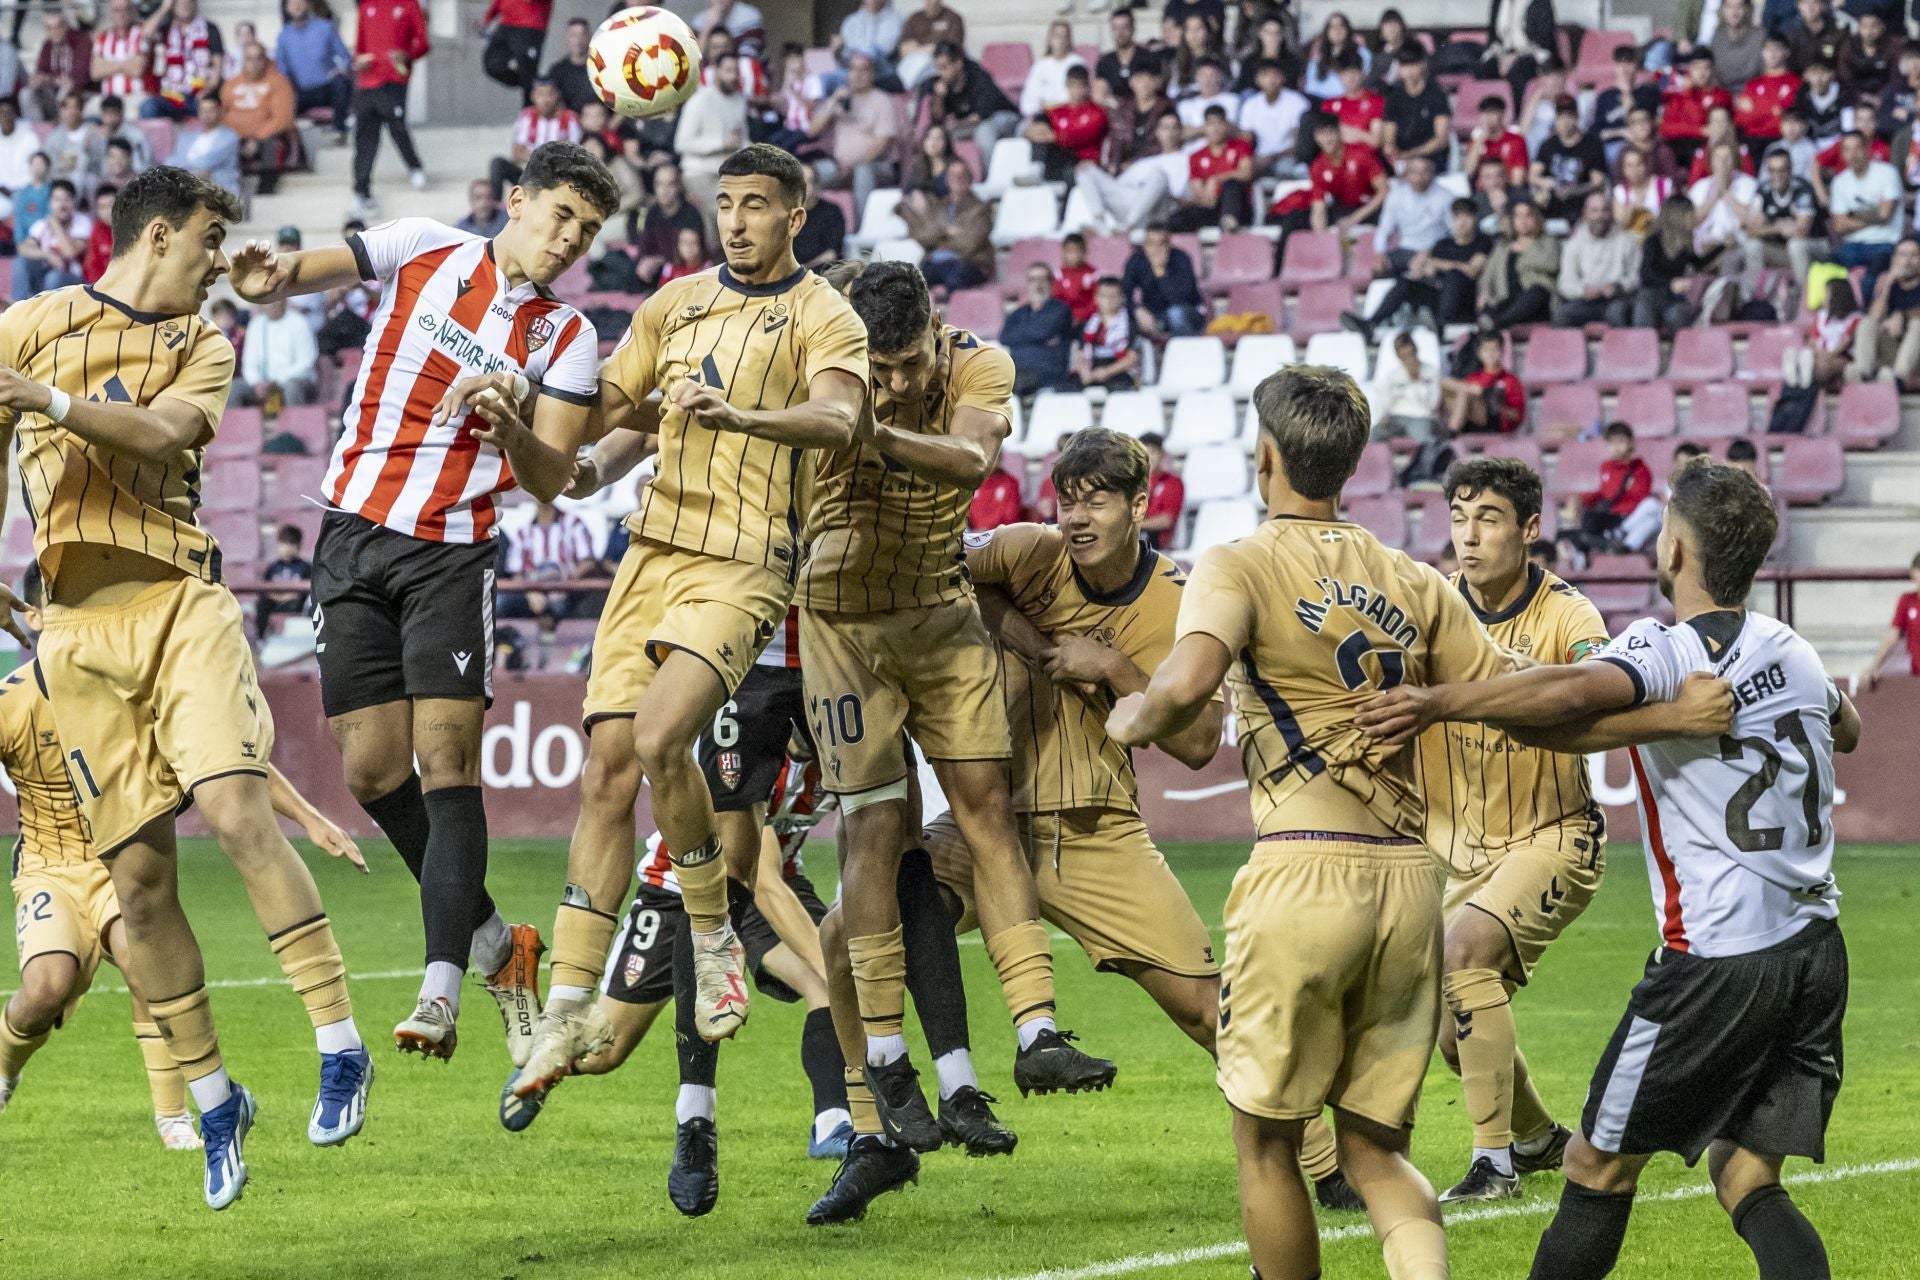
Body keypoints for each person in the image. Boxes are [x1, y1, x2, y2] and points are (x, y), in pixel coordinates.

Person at [1362, 461, 1856, 1280]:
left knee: (1595, 1168)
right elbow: (1851, 729)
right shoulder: (1794, 649)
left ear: (1674, 551)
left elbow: (1571, 691)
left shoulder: (1670, 647)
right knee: (1744, 1177)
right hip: (1815, 952)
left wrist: (1437, 701)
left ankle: (1508, 1151)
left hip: (1715, 965)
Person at [0, 164, 375, 1210]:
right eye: (213, 238)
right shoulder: (25, 324)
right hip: (72, 632)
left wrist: (53, 400)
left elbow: (164, 433)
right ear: (160, 233)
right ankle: (215, 1100)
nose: (223, 259)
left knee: (234, 808)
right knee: (141, 883)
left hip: (180, 604)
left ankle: (339, 1041)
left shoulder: (202, 345)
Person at [474, 145, 868, 1118]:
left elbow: (839, 419)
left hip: (744, 559)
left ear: (797, 214)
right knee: (608, 768)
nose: (737, 221)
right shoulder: (674, 303)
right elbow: (586, 438)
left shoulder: (825, 313)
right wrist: (516, 415)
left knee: (659, 738)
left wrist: (736, 412)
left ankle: (710, 934)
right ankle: (565, 1000)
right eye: (725, 204)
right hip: (650, 552)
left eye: (758, 206)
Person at [1106, 364, 1516, 1280]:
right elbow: (1510, 696)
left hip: (1302, 870)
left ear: (1266, 457)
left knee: (1267, 1143)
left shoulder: (1239, 561)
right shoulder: (1413, 577)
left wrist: (1126, 714)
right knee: (1375, 1151)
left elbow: (1185, 685)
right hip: (1410, 887)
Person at [225, 142, 621, 1062]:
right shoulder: (423, 245)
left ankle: (441, 988)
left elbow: (555, 475)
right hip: (350, 536)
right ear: (515, 199)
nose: (570, 239)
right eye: (560, 214)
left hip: (451, 555)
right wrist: (260, 283)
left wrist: (511, 422)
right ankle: (497, 945)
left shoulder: (567, 338)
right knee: (370, 773)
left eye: (589, 230)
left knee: (447, 768)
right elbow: (299, 272)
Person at [798, 260, 1113, 1223]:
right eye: (876, 369)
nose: (890, 382)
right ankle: (888, 1065)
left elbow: (973, 462)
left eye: (904, 364)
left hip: (939, 615)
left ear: (936, 333)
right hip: (840, 625)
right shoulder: (824, 369)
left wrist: (868, 429)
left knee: (984, 808)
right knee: (875, 836)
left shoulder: (982, 368)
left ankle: (1038, 1028)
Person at [0, 562, 365, 1150]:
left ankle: (174, 1119)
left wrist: (309, 818)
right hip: (51, 866)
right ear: (36, 617)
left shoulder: (127, 688)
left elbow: (220, 762)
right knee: (45, 988)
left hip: (120, 860)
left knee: (147, 962)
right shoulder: (11, 703)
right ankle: (5, 1066)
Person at [1417, 458, 1673, 1202]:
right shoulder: (1430, 608)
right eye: (1459, 518)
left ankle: (1492, 1165)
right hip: (1466, 854)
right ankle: (1534, 1138)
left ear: (1529, 529)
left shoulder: (1570, 617)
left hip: (1556, 835)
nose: (1469, 536)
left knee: (1466, 955)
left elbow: (1591, 699)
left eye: (1488, 519)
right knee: (1448, 1036)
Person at [349, 0, 428, 217]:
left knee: (397, 127)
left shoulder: (410, 5)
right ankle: (361, 191)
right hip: (367, 81)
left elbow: (422, 43)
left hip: (394, 78)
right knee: (364, 138)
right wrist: (360, 61)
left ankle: (415, 167)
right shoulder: (366, 7)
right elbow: (360, 47)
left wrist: (407, 54)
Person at [1274, 113, 1387, 245]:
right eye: (1321, 134)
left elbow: (1384, 191)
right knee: (1294, 218)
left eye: (1330, 133)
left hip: (1370, 208)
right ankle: (1283, 263)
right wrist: (1320, 237)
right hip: (1343, 208)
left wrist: (1352, 220)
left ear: (1339, 133)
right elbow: (1319, 207)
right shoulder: (1318, 166)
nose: (1327, 139)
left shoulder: (1361, 155)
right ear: (1316, 137)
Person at [676, 52, 750, 248]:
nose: (733, 76)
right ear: (716, 72)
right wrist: (720, 143)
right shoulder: (700, 101)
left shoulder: (739, 100)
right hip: (699, 173)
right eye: (728, 71)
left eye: (736, 71)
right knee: (727, 212)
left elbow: (742, 140)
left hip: (729, 175)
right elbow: (681, 143)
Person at [815, 53, 900, 218]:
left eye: (863, 69)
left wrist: (854, 165)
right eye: (853, 69)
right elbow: (813, 130)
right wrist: (833, 101)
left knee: (863, 172)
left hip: (877, 166)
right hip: (839, 166)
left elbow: (883, 143)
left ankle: (862, 234)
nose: (858, 74)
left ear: (872, 74)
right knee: (807, 174)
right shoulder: (841, 98)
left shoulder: (882, 100)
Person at [1740, 146, 1818, 314]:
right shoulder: (1763, 191)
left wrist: (1768, 225)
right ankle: (1758, 300)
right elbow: (1751, 231)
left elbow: (1802, 230)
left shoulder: (1802, 189)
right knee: (1752, 245)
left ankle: (1805, 300)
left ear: (1790, 170)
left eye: (1782, 170)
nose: (1777, 176)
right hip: (1781, 249)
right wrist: (1778, 226)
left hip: (1815, 246)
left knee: (1796, 245)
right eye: (1772, 171)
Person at [1827, 130, 1903, 300]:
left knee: (1870, 281)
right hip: (1852, 244)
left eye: (1857, 149)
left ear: (1867, 148)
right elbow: (1839, 225)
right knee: (1825, 271)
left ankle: (1864, 318)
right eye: (1847, 150)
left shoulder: (1887, 173)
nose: (1852, 155)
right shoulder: (1839, 181)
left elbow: (1885, 215)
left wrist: (1852, 215)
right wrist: (1874, 216)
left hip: (1885, 243)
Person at [899, 156, 993, 292]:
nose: (957, 179)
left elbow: (970, 243)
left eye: (962, 175)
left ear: (969, 179)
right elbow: (923, 236)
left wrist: (941, 243)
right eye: (953, 176)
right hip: (936, 264)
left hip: (968, 262)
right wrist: (945, 232)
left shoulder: (980, 209)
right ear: (947, 180)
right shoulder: (938, 206)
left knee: (959, 276)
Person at [1635, 194, 1725, 332]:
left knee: (1678, 315)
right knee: (1644, 316)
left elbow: (1698, 264)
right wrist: (1670, 283)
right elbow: (1646, 274)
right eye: (1691, 213)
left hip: (1673, 299)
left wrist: (1722, 247)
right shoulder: (1654, 241)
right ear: (1679, 216)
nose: (1694, 217)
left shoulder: (1684, 244)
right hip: (1652, 295)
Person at [222, 41, 299, 195]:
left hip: (267, 137)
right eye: (249, 59)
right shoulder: (231, 84)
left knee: (271, 146)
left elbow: (283, 119)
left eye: (258, 58)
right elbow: (222, 115)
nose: (254, 63)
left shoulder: (279, 82)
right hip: (236, 138)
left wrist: (257, 139)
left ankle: (265, 193)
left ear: (266, 60)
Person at [1558, 191, 1643, 327]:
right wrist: (1584, 291)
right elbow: (1565, 283)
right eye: (1594, 211)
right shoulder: (1574, 243)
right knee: (1562, 314)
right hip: (1585, 300)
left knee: (1617, 312)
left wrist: (1617, 287)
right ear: (1585, 214)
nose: (1599, 216)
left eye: (1604, 210)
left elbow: (1636, 277)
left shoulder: (1627, 241)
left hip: (1617, 299)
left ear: (1611, 213)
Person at [925, 41, 1021, 161]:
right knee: (939, 136)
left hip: (1003, 116)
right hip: (969, 124)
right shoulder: (942, 82)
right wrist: (939, 97)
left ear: (958, 63)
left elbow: (980, 116)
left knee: (984, 131)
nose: (940, 73)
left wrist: (956, 125)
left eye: (944, 67)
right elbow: (937, 119)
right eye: (938, 68)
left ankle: (990, 176)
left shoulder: (978, 76)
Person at [276, 0, 354, 145]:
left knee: (341, 82)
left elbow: (346, 57)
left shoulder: (325, 27)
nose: (297, 5)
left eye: (299, 1)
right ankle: (289, 148)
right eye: (292, 3)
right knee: (281, 100)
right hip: (304, 93)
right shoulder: (284, 37)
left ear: (307, 3)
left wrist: (341, 68)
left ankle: (339, 130)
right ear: (286, 8)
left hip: (329, 88)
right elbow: (282, 70)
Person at [492, 77, 581, 198]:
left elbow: (575, 154)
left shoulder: (570, 119)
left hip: (557, 175)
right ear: (533, 96)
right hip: (528, 171)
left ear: (557, 95)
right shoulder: (526, 117)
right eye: (540, 95)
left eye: (550, 94)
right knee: (498, 163)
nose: (545, 100)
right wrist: (538, 161)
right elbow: (517, 152)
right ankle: (495, 207)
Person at [1478, 198, 1561, 328]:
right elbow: (1488, 275)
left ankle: (1497, 323)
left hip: (1537, 303)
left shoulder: (1548, 242)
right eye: (1518, 216)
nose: (1523, 221)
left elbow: (1551, 263)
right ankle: (1490, 325)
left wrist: (1522, 259)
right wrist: (1485, 292)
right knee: (1489, 306)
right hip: (1507, 299)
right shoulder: (1503, 247)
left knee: (1537, 291)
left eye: (1528, 215)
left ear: (1536, 218)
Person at [1169, 104, 1252, 231]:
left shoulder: (1241, 146)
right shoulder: (1196, 156)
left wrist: (1217, 179)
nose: (1215, 129)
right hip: (1212, 208)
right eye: (1211, 124)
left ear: (1226, 125)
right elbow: (1199, 191)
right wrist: (1205, 200)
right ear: (1205, 127)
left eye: (1219, 123)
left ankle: (1229, 223)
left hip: (1239, 208)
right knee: (1177, 218)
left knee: (1232, 184)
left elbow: (1247, 173)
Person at [1575, 423, 1655, 553]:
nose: (1616, 447)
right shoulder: (1606, 467)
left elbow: (1639, 501)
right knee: (1588, 517)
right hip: (1610, 515)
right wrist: (1582, 498)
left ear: (1631, 443)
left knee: (1652, 509)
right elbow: (1604, 493)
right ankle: (1594, 546)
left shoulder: (1640, 470)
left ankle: (1612, 540)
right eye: (1612, 443)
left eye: (1620, 442)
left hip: (1625, 517)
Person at [1025, 64, 1109, 185]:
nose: (1077, 91)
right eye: (1073, 86)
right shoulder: (1057, 111)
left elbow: (1081, 136)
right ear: (1066, 85)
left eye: (1081, 86)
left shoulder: (1097, 113)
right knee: (1040, 126)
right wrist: (1030, 132)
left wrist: (1055, 137)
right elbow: (1035, 128)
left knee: (1070, 170)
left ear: (1087, 86)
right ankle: (1035, 171)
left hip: (1083, 162)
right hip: (1059, 160)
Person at [1003, 262, 1077, 396]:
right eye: (1033, 280)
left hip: (1049, 373)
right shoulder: (1019, 313)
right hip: (1019, 372)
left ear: (1051, 283)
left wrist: (1021, 337)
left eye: (1042, 279)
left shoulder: (1061, 310)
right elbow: (1005, 337)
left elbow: (1044, 331)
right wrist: (1040, 339)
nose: (1038, 284)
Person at [1372, 154, 1453, 277]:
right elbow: (1384, 228)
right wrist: (1379, 252)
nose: (1420, 177)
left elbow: (1454, 231)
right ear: (1407, 174)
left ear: (1432, 173)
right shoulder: (1396, 196)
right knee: (1380, 267)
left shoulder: (1446, 197)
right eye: (1414, 172)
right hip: (1406, 249)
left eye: (1424, 171)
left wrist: (1429, 252)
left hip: (1436, 249)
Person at [142, 0, 223, 121]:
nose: (185, 6)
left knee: (210, 108)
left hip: (198, 94)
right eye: (180, 3)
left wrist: (208, 89)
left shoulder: (210, 28)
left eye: (188, 2)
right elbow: (145, 33)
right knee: (148, 107)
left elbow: (217, 65)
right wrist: (164, 8)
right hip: (170, 94)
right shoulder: (166, 29)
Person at [1532, 96, 1610, 221]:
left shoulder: (1592, 145)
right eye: (1561, 116)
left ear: (1577, 117)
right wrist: (1546, 183)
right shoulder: (1548, 145)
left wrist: (1574, 190)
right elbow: (1533, 175)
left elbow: (1598, 181)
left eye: (1569, 116)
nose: (1565, 121)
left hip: (1581, 208)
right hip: (1551, 206)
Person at [11, 178, 91, 299]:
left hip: (74, 280)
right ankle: (17, 309)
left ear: (74, 202)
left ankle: (47, 315)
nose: (62, 205)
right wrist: (47, 255)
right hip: (44, 280)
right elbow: (23, 248)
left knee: (53, 277)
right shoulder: (42, 224)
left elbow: (70, 253)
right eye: (57, 199)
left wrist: (56, 225)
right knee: (20, 262)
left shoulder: (82, 222)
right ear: (50, 202)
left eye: (67, 199)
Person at [1122, 223, 1206, 338]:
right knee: (1122, 316)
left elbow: (1180, 299)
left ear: (1169, 244)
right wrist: (1137, 310)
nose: (1156, 249)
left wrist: (1160, 271)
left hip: (1188, 312)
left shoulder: (1181, 259)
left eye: (1161, 244)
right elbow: (1124, 292)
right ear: (1144, 244)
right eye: (1151, 244)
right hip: (1153, 314)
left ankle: (1182, 352)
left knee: (1175, 314)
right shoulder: (1136, 261)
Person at [1856, 236, 1920, 383]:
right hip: (1892, 348)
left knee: (1918, 324)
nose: (1907, 261)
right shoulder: (1888, 284)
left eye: (1914, 255)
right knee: (1866, 322)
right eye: (1902, 255)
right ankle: (1864, 375)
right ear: (1894, 260)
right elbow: (1874, 317)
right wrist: (1888, 283)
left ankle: (1898, 379)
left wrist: (1903, 317)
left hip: (1915, 354)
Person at [239, 296, 319, 413]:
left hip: (294, 380)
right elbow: (249, 362)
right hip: (262, 383)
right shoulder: (255, 325)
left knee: (292, 387)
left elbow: (306, 363)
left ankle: (295, 429)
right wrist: (256, 382)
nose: (269, 306)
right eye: (266, 302)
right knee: (233, 389)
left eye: (273, 301)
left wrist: (276, 381)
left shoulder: (300, 322)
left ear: (284, 301)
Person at [1662, 49, 1733, 172]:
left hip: (1709, 147)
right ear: (1689, 70)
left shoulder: (1721, 96)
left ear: (1713, 70)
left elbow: (1698, 118)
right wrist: (1699, 130)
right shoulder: (1680, 96)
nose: (1701, 73)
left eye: (1706, 68)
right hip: (1682, 145)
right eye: (1697, 68)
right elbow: (1666, 128)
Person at [1444, 330, 1528, 433]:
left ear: (1502, 352)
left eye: (1494, 349)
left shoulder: (1510, 380)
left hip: (1493, 422)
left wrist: (1498, 407)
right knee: (1444, 384)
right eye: (1486, 350)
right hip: (1470, 419)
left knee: (1464, 391)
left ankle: (1452, 431)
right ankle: (1450, 427)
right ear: (1479, 354)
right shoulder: (1472, 377)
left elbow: (1518, 416)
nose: (1490, 354)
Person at [1239, 58, 1310, 179]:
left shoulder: (1297, 102)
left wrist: (1273, 157)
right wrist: (1249, 161)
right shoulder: (1250, 104)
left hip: (1287, 158)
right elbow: (1245, 141)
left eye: (1275, 75)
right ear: (1258, 80)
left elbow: (1299, 146)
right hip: (1260, 158)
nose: (1271, 80)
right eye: (1265, 75)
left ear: (1282, 78)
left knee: (1285, 169)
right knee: (1244, 168)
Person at [1383, 44, 1451, 167]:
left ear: (1423, 64)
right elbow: (1389, 136)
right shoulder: (1394, 97)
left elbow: (1441, 139)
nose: (1408, 70)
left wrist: (1410, 155)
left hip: (1430, 158)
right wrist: (1391, 150)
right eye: (1404, 65)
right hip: (1401, 159)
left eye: (1413, 64)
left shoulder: (1437, 96)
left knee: (1419, 167)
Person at [1787, 277, 1861, 389]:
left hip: (1841, 357)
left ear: (1838, 297)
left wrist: (1828, 356)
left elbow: (1846, 343)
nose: (1823, 297)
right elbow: (1813, 340)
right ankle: (1796, 375)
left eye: (1826, 293)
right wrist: (1817, 353)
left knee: (1822, 367)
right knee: (1793, 353)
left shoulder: (1854, 319)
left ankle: (1804, 379)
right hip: (1819, 353)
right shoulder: (1821, 316)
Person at [1860, 550, 1920, 688]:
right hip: (1916, 674)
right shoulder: (1907, 601)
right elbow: (1892, 635)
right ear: (1913, 574)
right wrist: (1874, 666)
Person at [1370, 332, 1440, 442]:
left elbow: (1432, 404)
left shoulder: (1430, 372)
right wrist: (1382, 415)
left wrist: (1416, 380)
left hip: (1420, 417)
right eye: (1402, 351)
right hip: (1396, 417)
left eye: (1408, 349)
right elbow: (1385, 402)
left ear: (1415, 348)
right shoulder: (1393, 376)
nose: (1407, 354)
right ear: (1398, 355)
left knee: (1425, 441)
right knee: (1373, 434)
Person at [25, 12, 94, 124]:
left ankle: (64, 128)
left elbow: (80, 79)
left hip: (81, 95)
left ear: (66, 26)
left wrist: (49, 79)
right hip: (55, 94)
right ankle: (37, 130)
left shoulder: (82, 41)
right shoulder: (47, 45)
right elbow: (41, 72)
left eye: (58, 27)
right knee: (26, 93)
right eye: (49, 28)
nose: (54, 31)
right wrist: (37, 80)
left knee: (66, 91)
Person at [1075, 276, 1141, 390]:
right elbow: (1081, 354)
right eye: (1104, 296)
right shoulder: (1088, 325)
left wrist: (1106, 372)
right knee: (1067, 388)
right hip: (1092, 370)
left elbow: (1131, 358)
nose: (1109, 300)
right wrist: (1084, 371)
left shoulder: (1131, 325)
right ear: (1096, 298)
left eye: (1113, 296)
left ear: (1122, 298)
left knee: (1120, 389)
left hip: (1118, 372)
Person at [479, 0, 551, 103]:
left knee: (526, 69)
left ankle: (530, 109)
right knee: (492, 65)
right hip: (506, 24)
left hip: (529, 26)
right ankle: (537, 84)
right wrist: (486, 20)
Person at [255, 523, 314, 638]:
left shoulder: (305, 567)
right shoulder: (272, 568)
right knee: (261, 604)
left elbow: (306, 594)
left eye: (291, 543)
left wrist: (288, 596)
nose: (286, 548)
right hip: (276, 602)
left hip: (296, 603)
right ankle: (261, 640)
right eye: (283, 543)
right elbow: (265, 590)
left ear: (298, 545)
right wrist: (280, 597)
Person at [177, 94, 241, 200]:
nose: (206, 114)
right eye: (203, 110)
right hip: (189, 185)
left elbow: (208, 161)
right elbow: (172, 160)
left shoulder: (229, 136)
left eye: (210, 110)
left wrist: (183, 171)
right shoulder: (187, 137)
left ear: (220, 111)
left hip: (217, 185)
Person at [1021, 19, 1086, 118]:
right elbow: (1029, 98)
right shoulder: (1040, 65)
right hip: (1042, 115)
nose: (1061, 40)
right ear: (1050, 39)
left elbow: (1080, 95)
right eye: (1057, 36)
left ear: (1069, 40)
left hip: (1070, 116)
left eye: (1065, 36)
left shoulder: (1077, 63)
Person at [895, 0, 964, 90]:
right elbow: (903, 49)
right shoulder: (915, 18)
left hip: (938, 66)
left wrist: (917, 48)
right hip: (912, 65)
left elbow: (951, 48)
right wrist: (928, 48)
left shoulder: (953, 18)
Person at [1464, 96, 1531, 188]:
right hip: (1483, 192)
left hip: (1509, 190)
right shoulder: (1476, 141)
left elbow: (1518, 179)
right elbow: (1469, 171)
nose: (1487, 118)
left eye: (1492, 113)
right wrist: (1481, 139)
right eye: (1484, 113)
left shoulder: (1516, 140)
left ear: (1502, 114)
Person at [791, 165, 847, 269]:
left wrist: (803, 269)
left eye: (809, 181)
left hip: (825, 273)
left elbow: (832, 254)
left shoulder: (831, 211)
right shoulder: (786, 213)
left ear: (816, 185)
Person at [1138, 432, 1185, 550]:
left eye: (1153, 452)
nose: (1149, 457)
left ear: (1162, 454)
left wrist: (1134, 525)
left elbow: (1166, 520)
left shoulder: (1173, 482)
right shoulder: (1132, 481)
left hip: (1157, 544)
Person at [1054, 233, 1096, 324]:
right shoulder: (1058, 274)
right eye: (1070, 251)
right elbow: (1056, 299)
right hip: (1063, 320)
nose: (1075, 255)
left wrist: (1080, 317)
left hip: (1087, 320)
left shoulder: (1093, 274)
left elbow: (1095, 301)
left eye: (1078, 251)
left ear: (1085, 251)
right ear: (1064, 252)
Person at [83, 185, 117, 284]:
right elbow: (91, 266)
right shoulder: (96, 230)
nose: (108, 212)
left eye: (111, 205)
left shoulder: (134, 229)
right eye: (102, 207)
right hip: (102, 287)